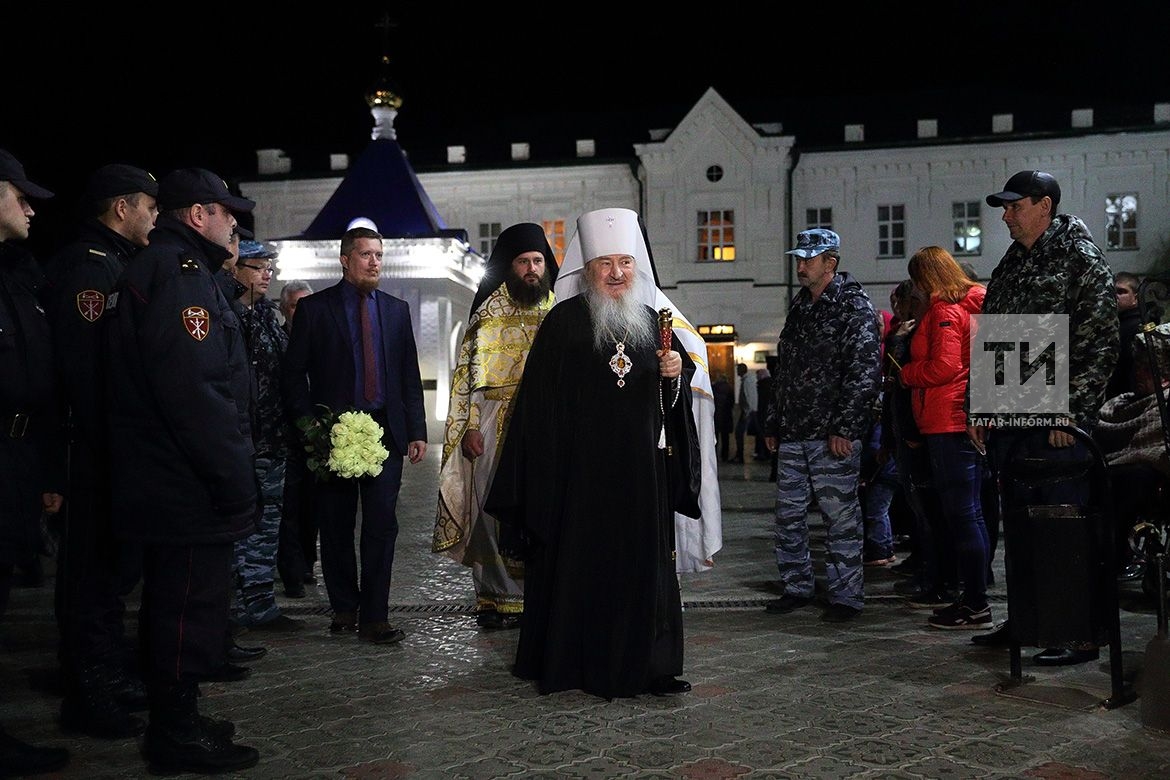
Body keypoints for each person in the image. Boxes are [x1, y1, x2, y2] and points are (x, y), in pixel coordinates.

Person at [483, 206, 701, 700]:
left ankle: (652, 665)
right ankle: (574, 663)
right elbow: (538, 411)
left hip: (641, 479)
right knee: (580, 570)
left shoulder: (655, 324)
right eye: (606, 264)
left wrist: (674, 377)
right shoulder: (562, 324)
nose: (617, 273)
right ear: (587, 270)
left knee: (645, 572)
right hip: (578, 480)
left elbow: (672, 409)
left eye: (625, 262)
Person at [103, 167, 261, 773]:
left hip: (168, 472)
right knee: (187, 604)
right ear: (198, 215)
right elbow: (195, 392)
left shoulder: (171, 268)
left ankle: (181, 713)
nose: (234, 226)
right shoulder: (179, 273)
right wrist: (231, 476)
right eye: (227, 213)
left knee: (177, 599)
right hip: (183, 478)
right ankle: (175, 733)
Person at [970, 170, 1118, 666]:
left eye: (1015, 206)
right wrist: (983, 408)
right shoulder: (1013, 261)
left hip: (1056, 425)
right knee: (1021, 527)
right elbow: (995, 336)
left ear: (1045, 205)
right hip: (1013, 419)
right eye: (1005, 208)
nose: (1006, 216)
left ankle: (1074, 633)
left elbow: (1099, 340)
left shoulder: (1078, 255)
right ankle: (1028, 619)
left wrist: (1071, 415)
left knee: (1062, 526)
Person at [42, 163, 158, 740]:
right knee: (93, 574)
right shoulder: (90, 267)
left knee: (107, 571)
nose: (155, 217)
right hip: (90, 447)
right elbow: (87, 371)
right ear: (122, 208)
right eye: (149, 206)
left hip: (104, 444)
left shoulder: (113, 262)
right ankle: (89, 692)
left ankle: (103, 675)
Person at [284, 226, 427, 645]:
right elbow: (294, 376)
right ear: (345, 260)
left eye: (379, 255)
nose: (374, 262)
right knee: (336, 524)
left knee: (382, 525)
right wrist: (311, 428)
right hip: (335, 434)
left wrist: (416, 430)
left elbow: (408, 376)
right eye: (365, 254)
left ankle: (375, 617)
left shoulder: (397, 311)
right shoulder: (315, 309)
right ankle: (345, 607)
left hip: (385, 434)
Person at [433, 223, 557, 630]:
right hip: (492, 421)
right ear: (509, 266)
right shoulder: (487, 313)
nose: (532, 269)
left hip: (543, 424)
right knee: (490, 509)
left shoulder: (557, 309)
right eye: (523, 261)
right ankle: (495, 596)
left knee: (540, 505)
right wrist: (469, 427)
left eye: (538, 260)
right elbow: (467, 377)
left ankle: (540, 592)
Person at [762, 228, 882, 622]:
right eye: (798, 259)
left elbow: (864, 372)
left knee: (839, 517)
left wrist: (846, 428)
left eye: (808, 259)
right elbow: (785, 373)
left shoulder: (853, 305)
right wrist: (774, 422)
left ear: (830, 262)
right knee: (788, 516)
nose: (800, 266)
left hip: (831, 436)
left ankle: (846, 596)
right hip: (795, 433)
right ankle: (797, 586)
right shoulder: (800, 307)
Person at [0, 148, 72, 777]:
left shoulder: (20, 274)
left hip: (17, 458)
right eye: (18, 194)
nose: (30, 207)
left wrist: (46, 472)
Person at [898, 246, 990, 629]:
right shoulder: (966, 304)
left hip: (947, 419)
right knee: (971, 513)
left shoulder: (945, 311)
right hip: (956, 418)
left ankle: (974, 603)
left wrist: (907, 373)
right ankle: (975, 596)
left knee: (962, 514)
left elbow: (945, 367)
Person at [230, 240, 302, 633]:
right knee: (240, 530)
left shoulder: (266, 319)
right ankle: (235, 607)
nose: (266, 274)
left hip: (273, 441)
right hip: (242, 443)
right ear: (236, 269)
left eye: (269, 267)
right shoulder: (228, 315)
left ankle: (260, 604)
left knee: (267, 528)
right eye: (257, 267)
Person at [276, 279, 317, 598]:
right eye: (294, 306)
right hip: (285, 434)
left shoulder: (322, 340)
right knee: (289, 507)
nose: (301, 312)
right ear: (284, 309)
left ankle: (307, 561)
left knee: (311, 507)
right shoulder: (277, 339)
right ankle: (291, 570)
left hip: (315, 434)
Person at [1107, 271, 1142, 400]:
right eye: (1113, 291)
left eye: (1122, 292)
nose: (1116, 296)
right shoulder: (1116, 323)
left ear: (1136, 298)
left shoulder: (1137, 325)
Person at [731, 362, 757, 462]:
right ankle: (739, 454)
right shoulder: (747, 380)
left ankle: (740, 456)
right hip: (747, 410)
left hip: (747, 411)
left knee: (739, 433)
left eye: (738, 369)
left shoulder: (747, 381)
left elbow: (748, 397)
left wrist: (747, 412)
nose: (737, 371)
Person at [712, 372, 734, 463]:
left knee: (715, 436)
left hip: (716, 415)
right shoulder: (729, 388)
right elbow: (731, 403)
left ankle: (714, 455)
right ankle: (725, 455)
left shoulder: (714, 388)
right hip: (726, 415)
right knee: (725, 438)